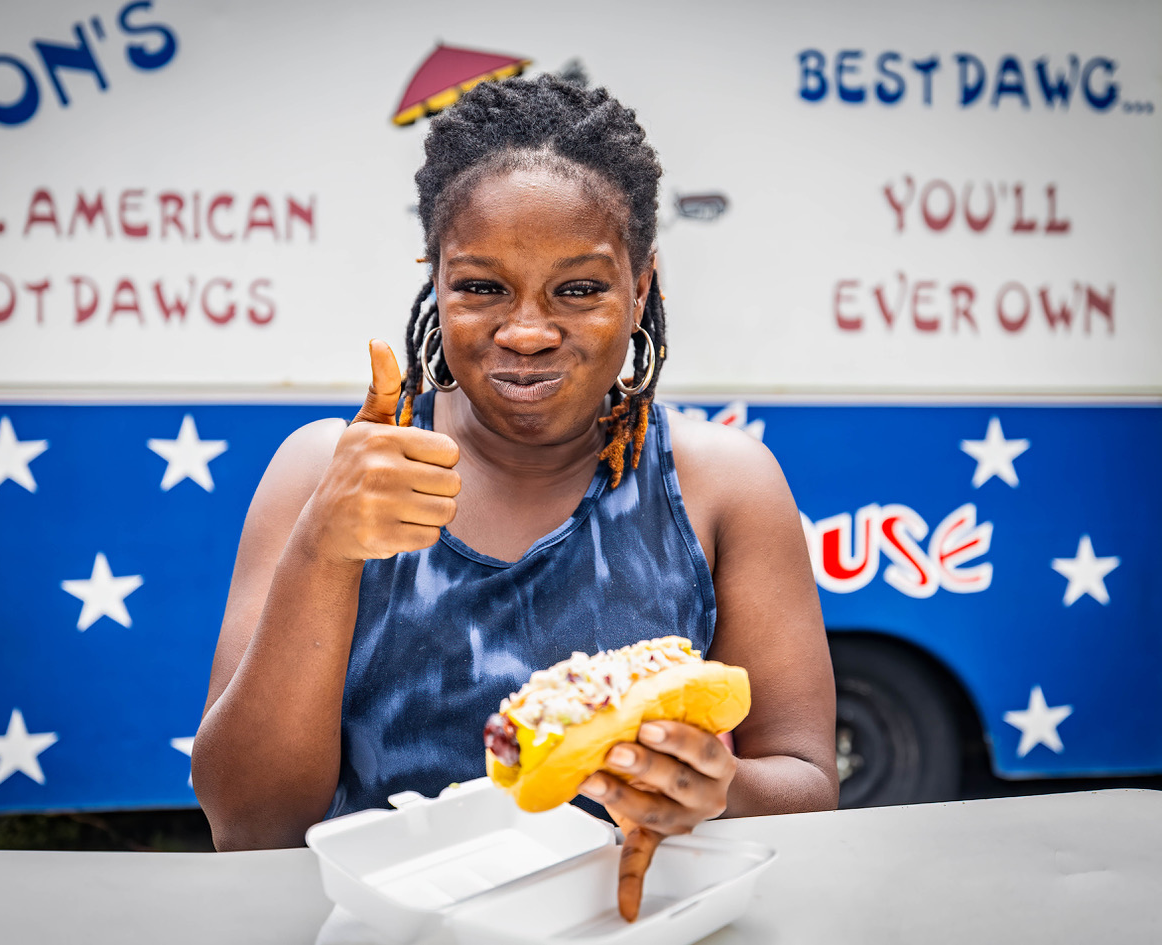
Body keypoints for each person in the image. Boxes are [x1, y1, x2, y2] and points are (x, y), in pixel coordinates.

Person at [192, 74, 837, 920]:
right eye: (482, 287)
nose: (527, 332)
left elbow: (807, 784)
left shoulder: (720, 483)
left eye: (579, 289)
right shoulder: (328, 472)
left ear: (643, 288)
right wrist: (324, 545)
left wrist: (716, 792)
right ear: (435, 282)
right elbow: (250, 826)